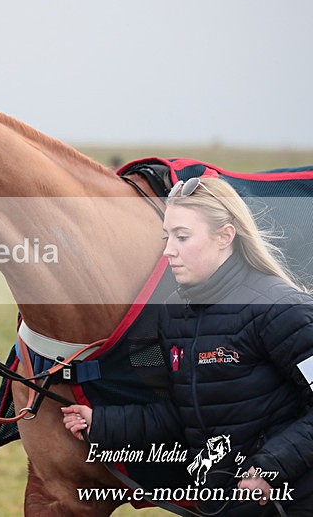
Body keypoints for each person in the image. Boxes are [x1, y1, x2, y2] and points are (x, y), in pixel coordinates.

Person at [62, 177, 313, 516]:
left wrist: (270, 469)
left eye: (182, 237)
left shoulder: (280, 309)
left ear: (225, 236)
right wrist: (102, 423)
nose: (168, 250)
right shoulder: (173, 316)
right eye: (168, 237)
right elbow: (184, 413)